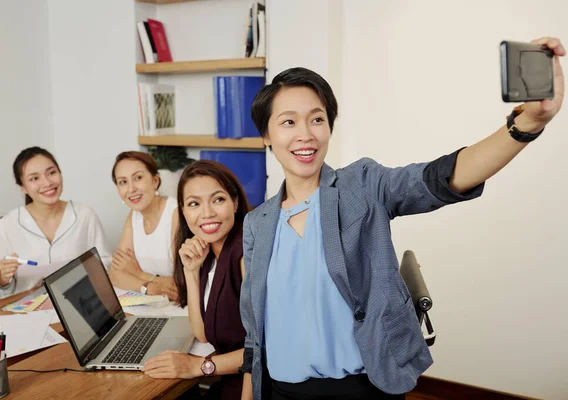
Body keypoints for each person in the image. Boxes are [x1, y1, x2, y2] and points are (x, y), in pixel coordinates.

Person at [239, 38, 565, 400]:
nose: (306, 134)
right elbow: (256, 334)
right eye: (288, 122)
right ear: (267, 135)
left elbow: (440, 178)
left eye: (317, 119)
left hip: (364, 386)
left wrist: (527, 124)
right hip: (281, 390)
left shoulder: (362, 184)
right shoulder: (258, 224)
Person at [143, 160, 249, 400]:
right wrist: (191, 272)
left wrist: (200, 366)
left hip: (257, 384)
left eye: (218, 199)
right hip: (232, 379)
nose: (207, 213)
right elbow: (202, 334)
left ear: (235, 202)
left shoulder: (246, 253)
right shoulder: (208, 252)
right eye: (194, 204)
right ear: (183, 211)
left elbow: (268, 349)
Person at [0, 147, 112, 298]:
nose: (47, 182)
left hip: (78, 305)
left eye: (51, 173)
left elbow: (106, 262)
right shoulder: (8, 224)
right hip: (26, 312)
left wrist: (77, 276)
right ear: (22, 187)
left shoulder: (84, 215)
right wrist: (3, 276)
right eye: (34, 178)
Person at [110, 151, 178, 299]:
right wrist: (148, 288)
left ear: (155, 181)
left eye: (138, 178)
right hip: (155, 306)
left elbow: (182, 286)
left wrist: (138, 274)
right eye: (123, 182)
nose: (131, 189)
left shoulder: (175, 215)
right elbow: (115, 274)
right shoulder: (134, 216)